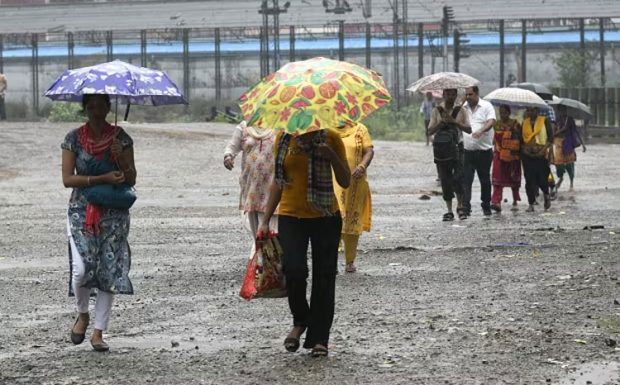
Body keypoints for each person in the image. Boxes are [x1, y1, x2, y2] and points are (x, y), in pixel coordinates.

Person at [258, 128, 350, 357]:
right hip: (292, 217)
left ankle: (320, 339)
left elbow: (345, 180)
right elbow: (278, 182)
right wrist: (265, 219)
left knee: (324, 277)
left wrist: (332, 156)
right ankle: (300, 321)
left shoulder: (331, 138)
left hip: (326, 216)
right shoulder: (284, 139)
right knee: (294, 270)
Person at [61, 94, 136, 352]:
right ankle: (82, 313)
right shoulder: (72, 139)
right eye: (91, 105)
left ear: (108, 107)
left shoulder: (121, 138)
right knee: (81, 269)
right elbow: (67, 179)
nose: (96, 110)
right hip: (81, 209)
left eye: (101, 105)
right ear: (85, 109)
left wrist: (122, 158)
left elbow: (131, 178)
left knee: (108, 269)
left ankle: (98, 331)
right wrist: (100, 177)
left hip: (113, 211)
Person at [223, 120, 277, 253]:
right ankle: (259, 255)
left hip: (273, 184)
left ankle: (273, 256)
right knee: (256, 227)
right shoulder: (244, 127)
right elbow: (231, 146)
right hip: (252, 185)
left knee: (274, 225)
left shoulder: (279, 125)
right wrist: (228, 157)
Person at [332, 122, 374, 273]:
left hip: (355, 183)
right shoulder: (326, 131)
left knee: (352, 220)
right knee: (333, 221)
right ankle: (332, 261)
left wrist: (362, 166)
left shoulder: (360, 129)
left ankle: (350, 261)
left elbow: (369, 151)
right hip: (333, 184)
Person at [428, 88, 471, 221]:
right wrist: (441, 123)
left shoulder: (461, 110)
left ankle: (460, 207)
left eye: (453, 94)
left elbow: (469, 129)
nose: (450, 97)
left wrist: (454, 122)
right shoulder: (437, 111)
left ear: (456, 95)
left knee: (458, 178)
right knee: (445, 180)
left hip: (458, 148)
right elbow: (429, 131)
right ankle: (449, 210)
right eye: (448, 94)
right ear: (443, 95)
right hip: (441, 150)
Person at [462, 86, 497, 216]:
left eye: (470, 94)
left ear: (477, 94)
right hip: (468, 151)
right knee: (467, 180)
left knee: (485, 180)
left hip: (484, 152)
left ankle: (486, 206)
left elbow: (491, 122)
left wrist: (481, 130)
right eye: (466, 94)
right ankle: (466, 207)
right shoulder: (463, 108)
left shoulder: (487, 106)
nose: (468, 97)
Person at [521, 106, 553, 212]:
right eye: (528, 110)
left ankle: (546, 195)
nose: (530, 112)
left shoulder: (545, 121)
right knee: (529, 180)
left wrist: (542, 150)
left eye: (532, 110)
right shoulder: (524, 123)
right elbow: (522, 140)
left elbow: (550, 138)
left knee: (542, 179)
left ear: (537, 111)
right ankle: (531, 204)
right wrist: (525, 150)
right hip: (527, 156)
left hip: (541, 155)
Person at [490, 105, 522, 212]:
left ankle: (515, 200)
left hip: (512, 155)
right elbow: (493, 139)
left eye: (504, 112)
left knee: (513, 178)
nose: (502, 115)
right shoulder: (497, 124)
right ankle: (496, 202)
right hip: (499, 154)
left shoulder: (515, 124)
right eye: (501, 112)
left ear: (509, 113)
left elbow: (519, 139)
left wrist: (511, 131)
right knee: (497, 179)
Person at [553, 104, 586, 192]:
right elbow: (554, 129)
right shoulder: (557, 119)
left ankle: (571, 183)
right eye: (560, 110)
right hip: (558, 143)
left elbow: (575, 131)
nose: (562, 112)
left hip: (568, 143)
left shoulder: (569, 119)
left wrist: (583, 144)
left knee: (570, 164)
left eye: (563, 110)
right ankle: (561, 178)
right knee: (558, 162)